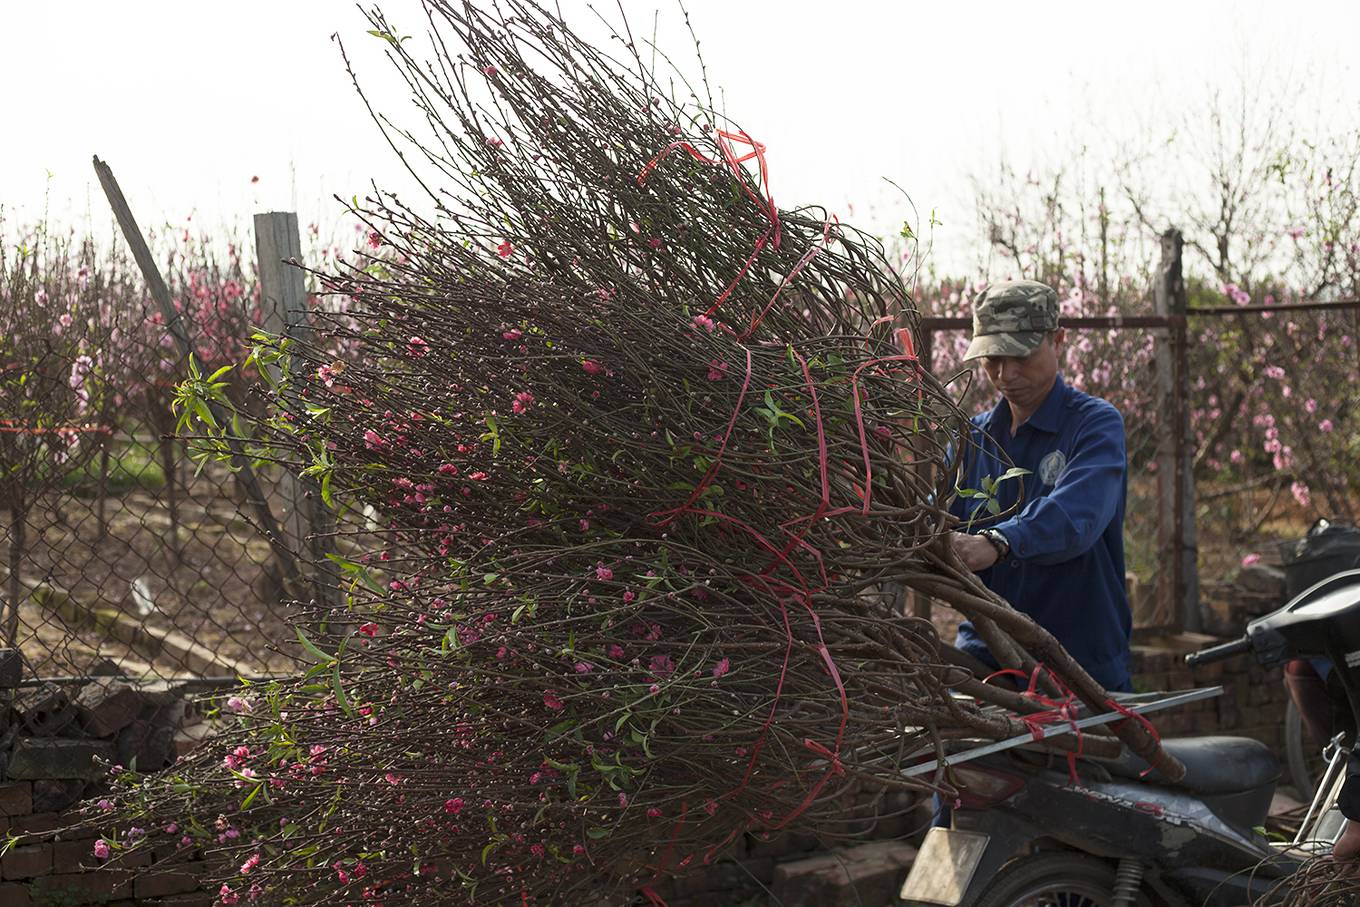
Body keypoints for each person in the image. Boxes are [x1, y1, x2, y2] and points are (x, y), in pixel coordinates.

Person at [948, 280, 1134, 694]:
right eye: (993, 359)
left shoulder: (1095, 425)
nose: (1006, 374)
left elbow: (1075, 515)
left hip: (1078, 662)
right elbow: (939, 512)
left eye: (1021, 356)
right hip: (987, 654)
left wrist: (998, 542)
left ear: (1059, 339)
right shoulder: (972, 437)